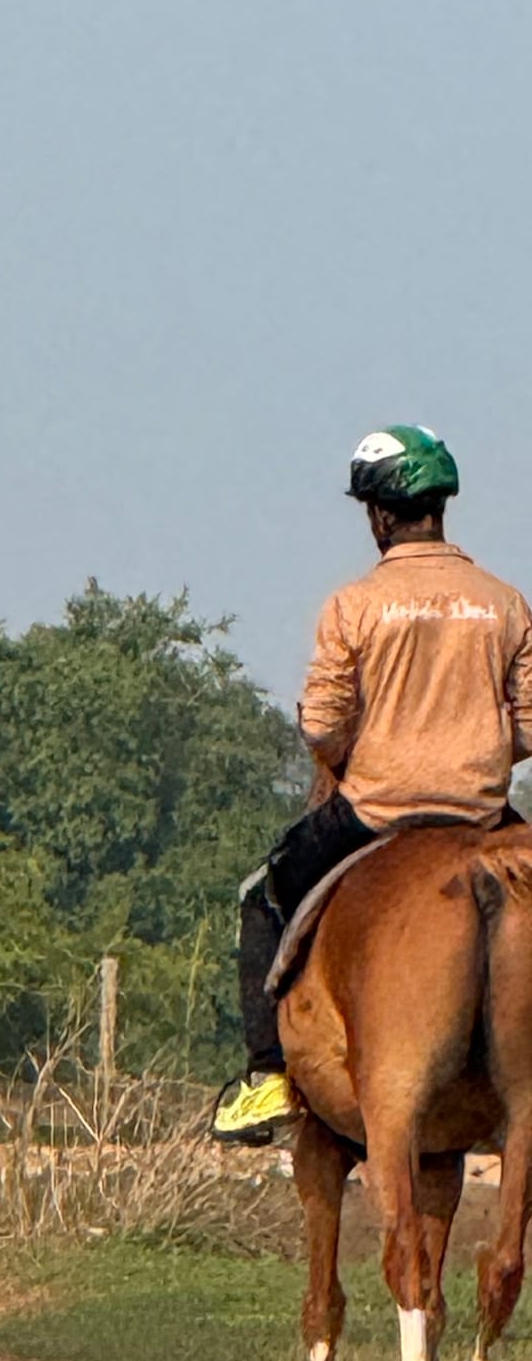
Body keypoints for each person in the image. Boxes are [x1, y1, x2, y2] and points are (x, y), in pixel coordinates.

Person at [213, 425, 532, 1144]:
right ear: (438, 507)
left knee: (262, 895)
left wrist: (371, 744)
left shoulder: (354, 604)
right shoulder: (505, 603)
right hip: (484, 813)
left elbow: (323, 725)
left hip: (376, 810)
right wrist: (474, 748)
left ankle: (265, 1076)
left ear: (381, 517)